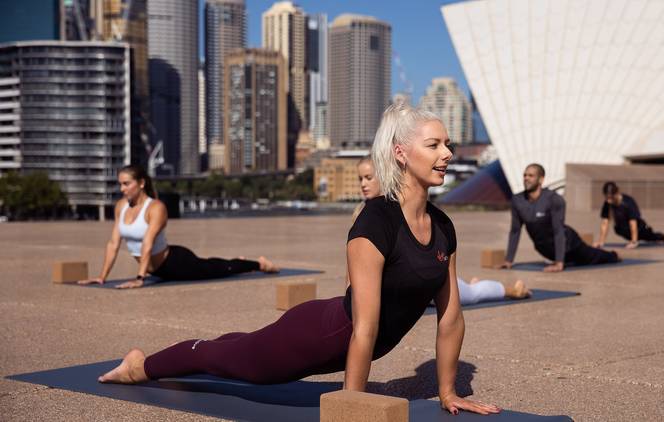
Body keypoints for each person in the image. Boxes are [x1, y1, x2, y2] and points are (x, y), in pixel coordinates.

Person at [97, 104, 500, 416]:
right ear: (400, 152)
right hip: (319, 334)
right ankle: (140, 366)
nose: (447, 153)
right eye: (434, 145)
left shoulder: (443, 225)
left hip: (351, 335)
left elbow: (450, 318)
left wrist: (449, 392)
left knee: (237, 345)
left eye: (447, 144)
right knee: (227, 360)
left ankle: (167, 357)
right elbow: (365, 326)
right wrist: (353, 407)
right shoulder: (376, 221)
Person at [354, 155, 530, 303]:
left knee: (472, 294)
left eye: (369, 178)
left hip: (423, 280)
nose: (363, 184)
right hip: (396, 288)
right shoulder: (360, 211)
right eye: (360, 178)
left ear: (385, 175)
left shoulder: (403, 207)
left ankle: (513, 290)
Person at [78, 165, 279, 289]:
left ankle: (259, 264)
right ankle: (239, 262)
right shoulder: (121, 206)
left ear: (140, 183)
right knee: (215, 265)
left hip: (175, 263)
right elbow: (113, 244)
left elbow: (147, 243)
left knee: (218, 269)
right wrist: (102, 277)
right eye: (120, 184)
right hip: (156, 271)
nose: (122, 189)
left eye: (126, 183)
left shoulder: (156, 208)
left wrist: (140, 278)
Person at [498, 164, 619, 272]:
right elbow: (515, 231)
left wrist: (559, 263)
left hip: (570, 244)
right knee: (576, 262)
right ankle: (565, 259)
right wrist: (508, 261)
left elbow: (558, 231)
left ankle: (613, 256)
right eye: (525, 175)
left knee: (591, 257)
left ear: (541, 179)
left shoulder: (554, 199)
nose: (526, 178)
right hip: (546, 249)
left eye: (531, 175)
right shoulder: (517, 201)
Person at [593, 182, 664, 249]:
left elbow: (633, 223)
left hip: (640, 228)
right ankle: (658, 237)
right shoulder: (608, 203)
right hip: (624, 230)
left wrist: (634, 241)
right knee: (618, 229)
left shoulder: (628, 202)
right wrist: (601, 242)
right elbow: (605, 223)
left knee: (651, 237)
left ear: (617, 193)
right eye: (607, 197)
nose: (609, 200)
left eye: (611, 197)